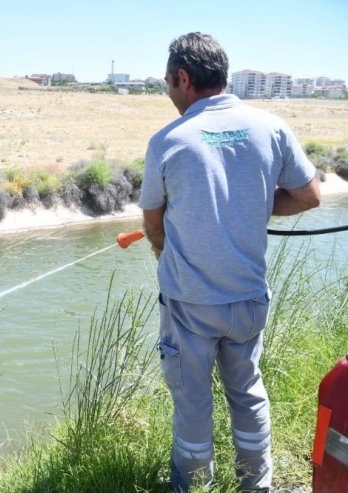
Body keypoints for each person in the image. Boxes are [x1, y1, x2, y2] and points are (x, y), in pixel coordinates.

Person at [138, 32, 321, 492]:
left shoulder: (168, 140)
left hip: (190, 305)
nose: (167, 91)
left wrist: (164, 253)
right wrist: (255, 204)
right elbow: (309, 195)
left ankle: (193, 484)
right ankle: (254, 485)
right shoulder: (271, 127)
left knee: (194, 403)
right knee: (248, 394)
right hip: (248, 299)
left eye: (167, 82)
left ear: (183, 78)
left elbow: (153, 222)